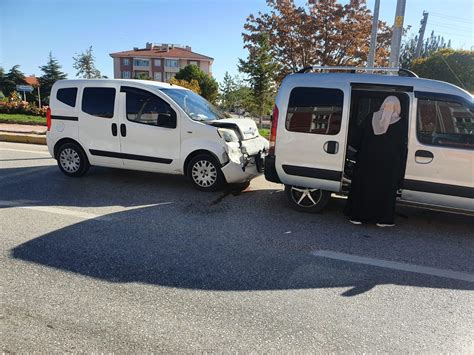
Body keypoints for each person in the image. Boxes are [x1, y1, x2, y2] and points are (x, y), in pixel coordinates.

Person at [344, 96, 408, 227]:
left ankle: (357, 217)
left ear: (383, 104)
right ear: (398, 107)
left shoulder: (370, 118)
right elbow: (402, 146)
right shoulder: (400, 123)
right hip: (388, 165)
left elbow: (357, 137)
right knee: (383, 191)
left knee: (363, 188)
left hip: (366, 162)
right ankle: (382, 219)